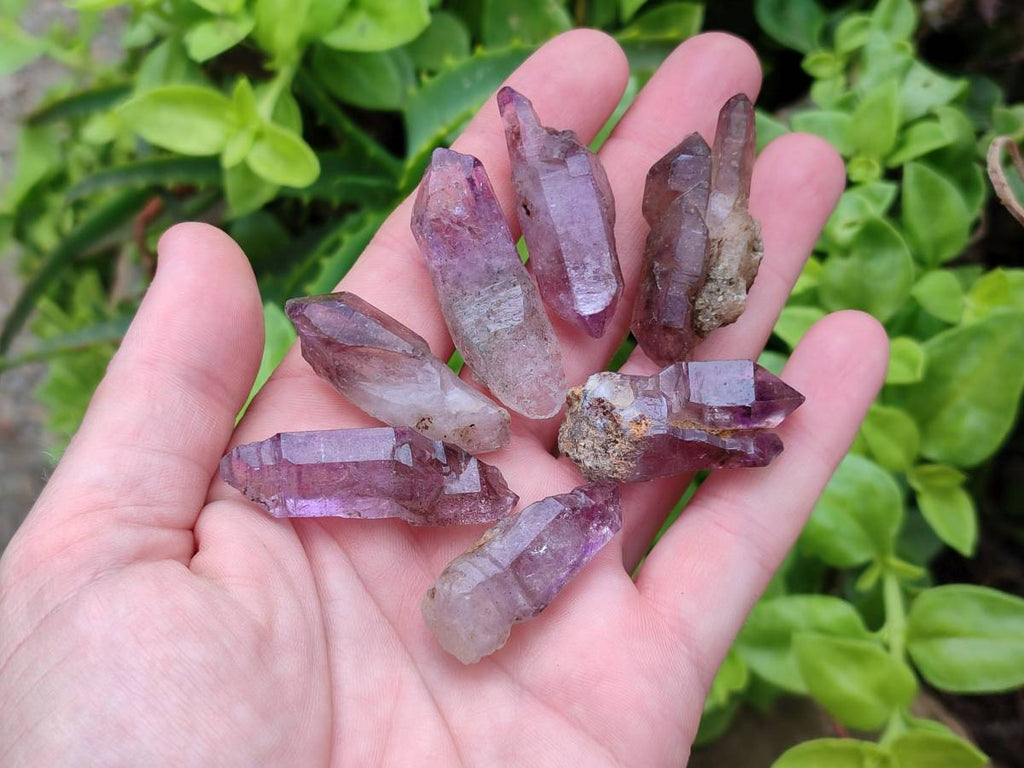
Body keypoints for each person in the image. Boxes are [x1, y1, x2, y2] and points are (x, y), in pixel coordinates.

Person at [0, 30, 887, 767]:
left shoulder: (569, 381)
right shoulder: (451, 422)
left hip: (578, 414)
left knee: (625, 388)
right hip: (495, 439)